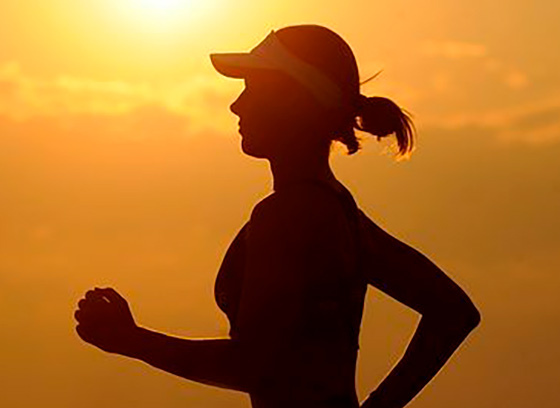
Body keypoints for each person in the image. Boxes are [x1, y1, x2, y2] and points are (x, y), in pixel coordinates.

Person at [72, 25, 481, 408]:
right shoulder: (339, 210)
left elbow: (252, 365)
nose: (236, 104)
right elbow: (453, 311)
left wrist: (132, 341)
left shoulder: (288, 215)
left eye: (252, 88)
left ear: (294, 99)